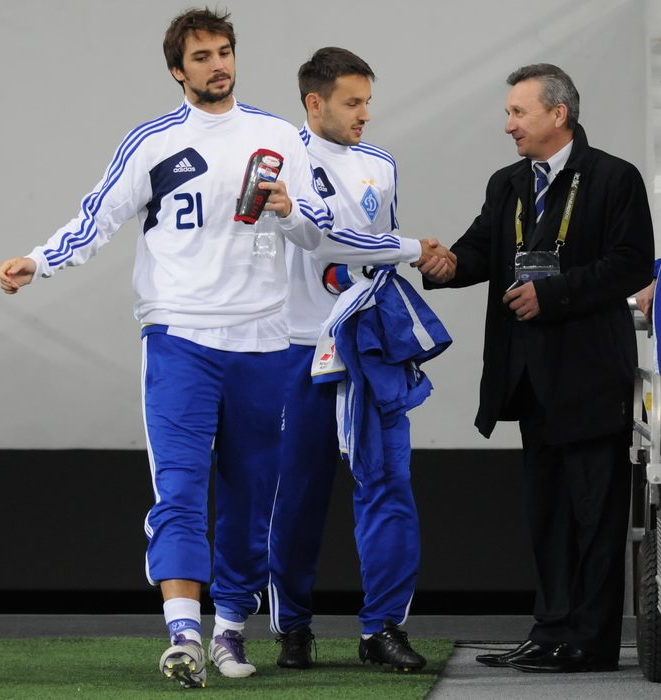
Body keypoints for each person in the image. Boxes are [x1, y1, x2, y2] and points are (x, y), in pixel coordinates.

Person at [0, 10, 442, 689]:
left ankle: (229, 626)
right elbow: (98, 215)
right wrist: (39, 260)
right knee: (178, 486)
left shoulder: (276, 136)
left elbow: (318, 235)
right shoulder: (152, 141)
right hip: (178, 335)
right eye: (202, 56)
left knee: (251, 496)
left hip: (262, 340)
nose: (217, 65)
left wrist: (292, 210)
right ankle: (182, 633)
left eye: (225, 52)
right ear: (178, 70)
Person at [418, 63, 654, 673]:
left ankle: (590, 642)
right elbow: (481, 249)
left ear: (558, 114)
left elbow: (632, 264)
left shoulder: (614, 178)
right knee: (547, 514)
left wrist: (554, 294)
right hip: (528, 378)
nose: (509, 125)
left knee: (595, 515)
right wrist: (447, 265)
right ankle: (550, 631)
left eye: (518, 113)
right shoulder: (508, 183)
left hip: (591, 376)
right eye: (509, 113)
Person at [268, 47, 454, 672]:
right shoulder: (284, 160)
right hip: (299, 349)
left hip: (369, 350)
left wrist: (408, 255)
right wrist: (412, 247)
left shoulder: (381, 165)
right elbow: (323, 240)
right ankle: (292, 627)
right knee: (297, 496)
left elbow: (377, 258)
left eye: (368, 101)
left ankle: (383, 628)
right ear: (314, 102)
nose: (365, 114)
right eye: (352, 102)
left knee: (389, 484)